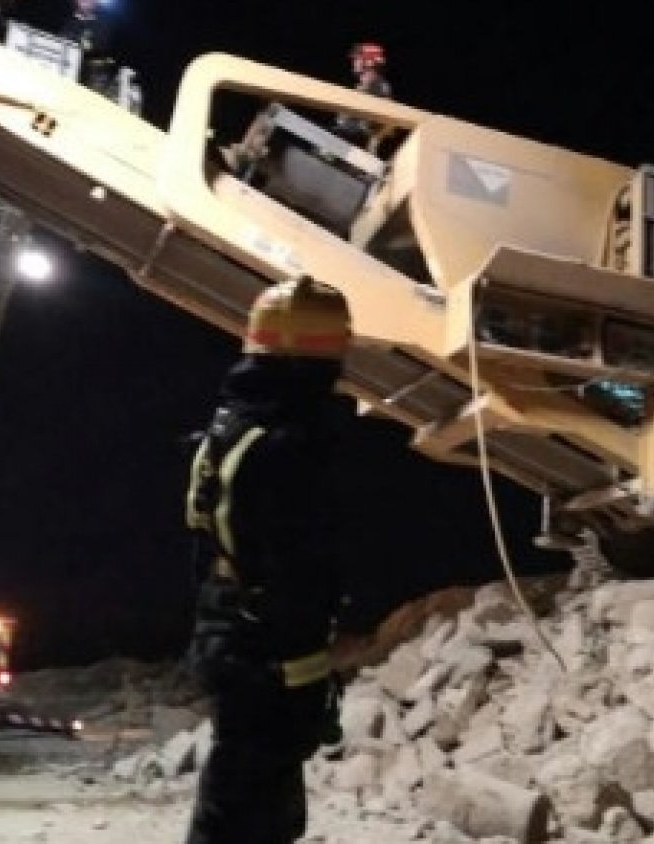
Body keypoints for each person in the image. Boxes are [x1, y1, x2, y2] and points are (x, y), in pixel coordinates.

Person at [181, 277, 355, 843]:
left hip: (233, 630)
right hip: (267, 645)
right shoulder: (289, 445)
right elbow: (303, 558)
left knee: (253, 794)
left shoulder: (233, 428)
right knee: (248, 806)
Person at [332, 41, 393, 153]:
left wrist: (373, 142)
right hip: (347, 139)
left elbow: (385, 122)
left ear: (369, 62)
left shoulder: (379, 84)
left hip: (356, 141)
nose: (354, 62)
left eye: (357, 59)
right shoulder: (363, 86)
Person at [60, 0, 120, 94]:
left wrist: (80, 44)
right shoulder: (71, 22)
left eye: (89, 1)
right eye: (82, 1)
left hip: (95, 73)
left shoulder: (103, 21)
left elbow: (100, 46)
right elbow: (61, 41)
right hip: (71, 68)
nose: (85, 3)